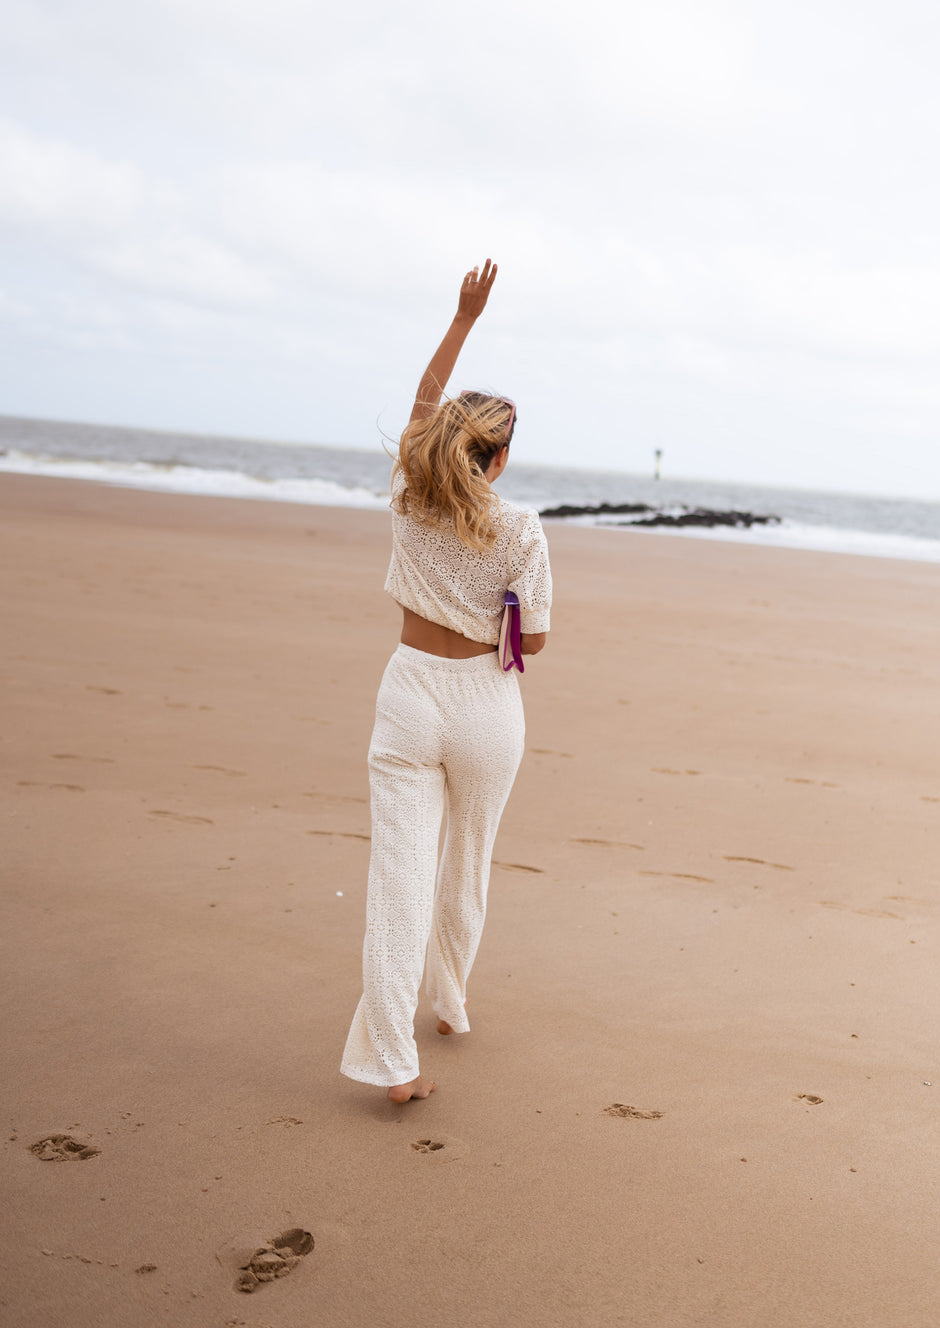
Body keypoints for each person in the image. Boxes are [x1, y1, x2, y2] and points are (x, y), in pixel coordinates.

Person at [340, 260, 553, 1102]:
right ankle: (451, 1004)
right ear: (499, 459)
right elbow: (534, 636)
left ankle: (394, 1065)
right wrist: (499, 606)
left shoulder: (408, 492)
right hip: (484, 709)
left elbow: (424, 406)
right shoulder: (521, 527)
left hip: (409, 692)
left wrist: (463, 319)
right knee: (468, 861)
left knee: (398, 879)